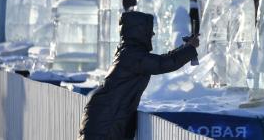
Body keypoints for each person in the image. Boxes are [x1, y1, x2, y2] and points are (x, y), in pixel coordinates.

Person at [79, 11, 199, 140]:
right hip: (106, 122)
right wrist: (189, 48)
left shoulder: (129, 52)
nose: (152, 34)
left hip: (105, 117)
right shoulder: (132, 55)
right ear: (139, 31)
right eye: (149, 30)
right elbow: (163, 64)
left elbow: (160, 60)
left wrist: (185, 47)